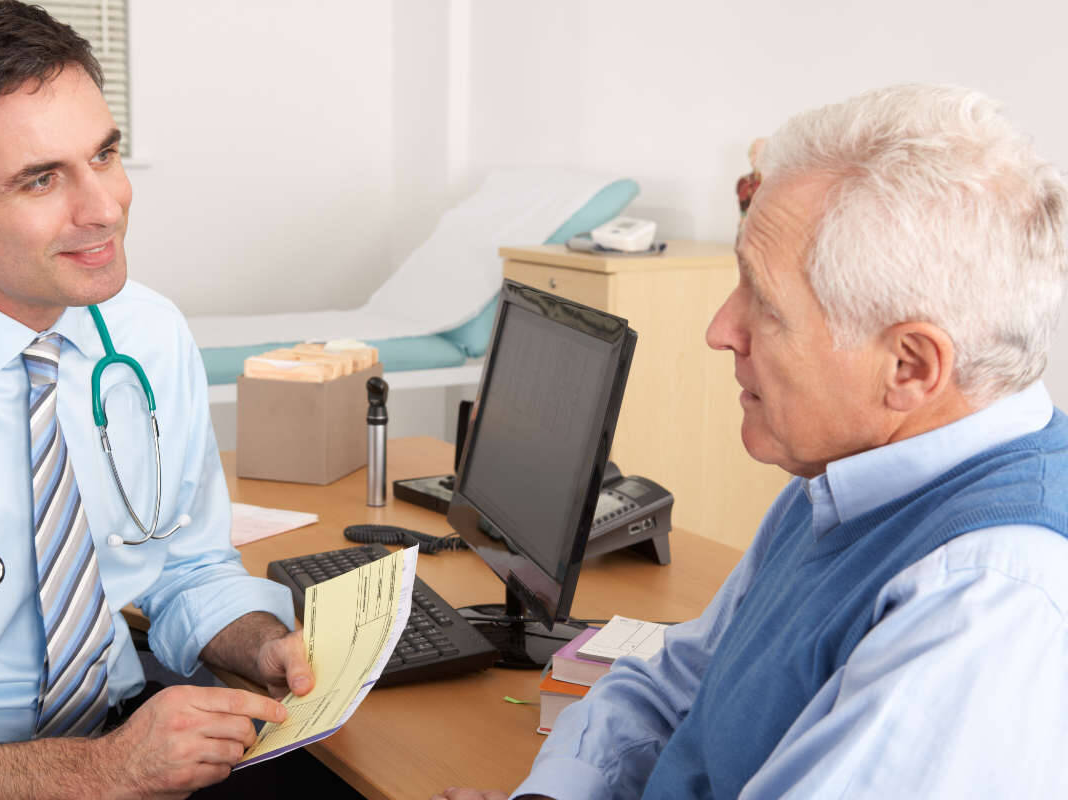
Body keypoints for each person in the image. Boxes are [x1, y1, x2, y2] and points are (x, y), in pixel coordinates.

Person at [435, 84, 1068, 799]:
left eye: (763, 302)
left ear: (909, 367)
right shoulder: (843, 478)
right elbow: (680, 687)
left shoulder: (985, 599)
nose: (720, 330)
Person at [0, 2, 319, 797]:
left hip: (129, 734)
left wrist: (256, 639)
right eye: (42, 179)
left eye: (104, 154)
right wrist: (102, 772)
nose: (104, 208)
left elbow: (186, 565)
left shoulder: (146, 331)